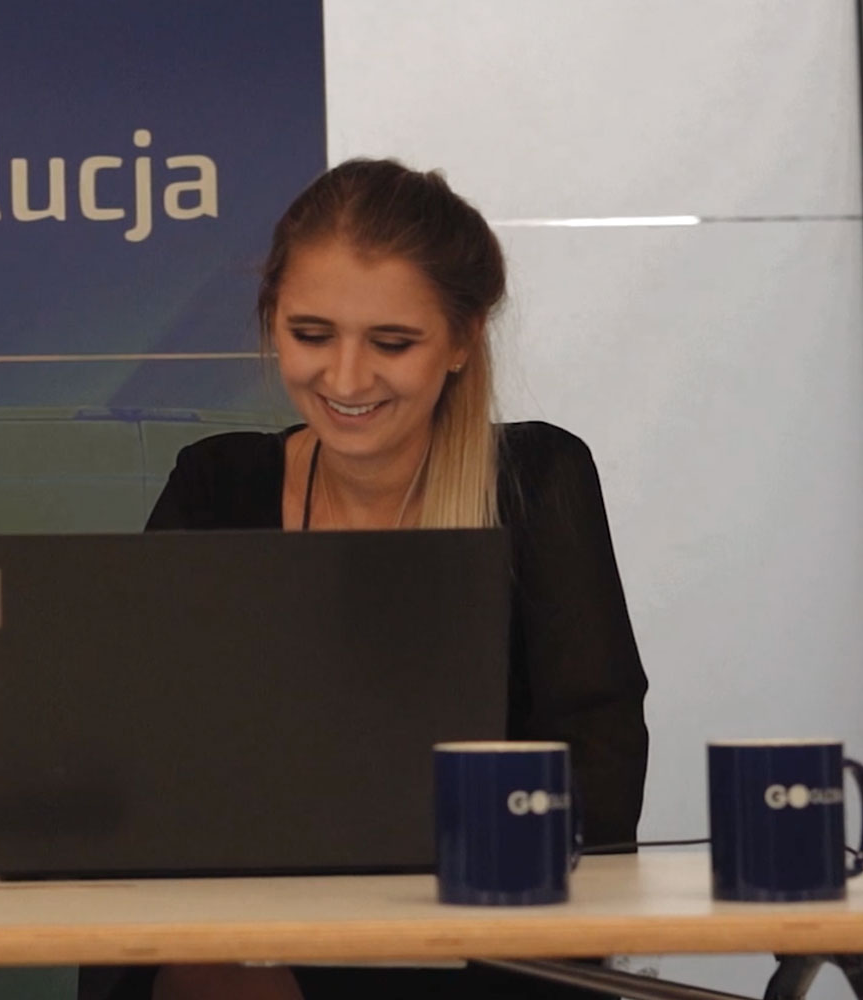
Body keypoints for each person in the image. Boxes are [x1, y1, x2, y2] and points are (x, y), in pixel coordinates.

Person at [90, 158, 649, 1000]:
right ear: (271, 320)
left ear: (462, 338)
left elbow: (597, 781)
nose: (346, 379)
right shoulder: (217, 485)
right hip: (256, 940)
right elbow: (130, 750)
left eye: (392, 343)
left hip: (486, 946)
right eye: (312, 335)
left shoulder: (538, 481)